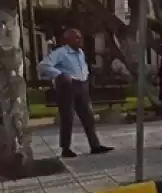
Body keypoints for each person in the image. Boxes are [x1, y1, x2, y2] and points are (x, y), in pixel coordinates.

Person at [38, 28, 114, 158]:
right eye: (76, 38)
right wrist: (60, 74)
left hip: (82, 86)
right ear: (68, 40)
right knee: (67, 118)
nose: (80, 40)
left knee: (88, 117)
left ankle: (95, 145)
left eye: (80, 37)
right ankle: (65, 148)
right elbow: (44, 65)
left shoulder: (80, 52)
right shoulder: (61, 53)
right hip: (68, 86)